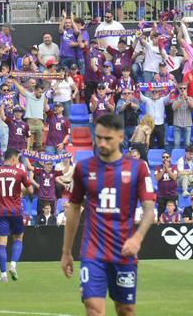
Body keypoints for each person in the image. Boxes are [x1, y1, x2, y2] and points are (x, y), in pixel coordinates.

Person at [60, 113, 156, 315]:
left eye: (108, 138)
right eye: (98, 137)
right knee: (93, 309)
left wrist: (138, 238)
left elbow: (149, 209)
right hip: (92, 252)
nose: (101, 143)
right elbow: (74, 208)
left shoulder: (138, 169)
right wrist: (66, 251)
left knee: (126, 309)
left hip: (124, 252)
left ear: (121, 137)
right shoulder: (83, 168)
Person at [0, 148, 33, 282]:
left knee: (1, 244)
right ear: (13, 159)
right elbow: (30, 190)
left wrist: (0, 190)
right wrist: (20, 188)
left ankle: (3, 276)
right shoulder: (20, 172)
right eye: (17, 159)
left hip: (1, 212)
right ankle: (13, 265)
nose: (17, 161)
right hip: (16, 211)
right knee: (18, 238)